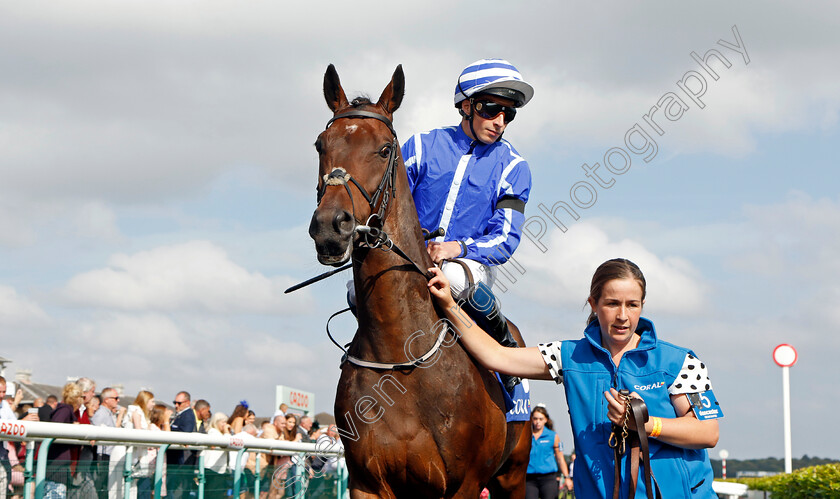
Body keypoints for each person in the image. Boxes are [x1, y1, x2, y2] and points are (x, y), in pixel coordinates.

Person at [429, 258, 720, 498]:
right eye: (612, 303)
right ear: (593, 304)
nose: (622, 315)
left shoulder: (680, 360)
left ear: (642, 305)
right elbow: (496, 356)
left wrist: (646, 424)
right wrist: (450, 306)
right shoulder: (569, 356)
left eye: (632, 304)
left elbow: (708, 433)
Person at [381, 58, 534, 393]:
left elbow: (506, 239)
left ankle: (503, 344)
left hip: (469, 264)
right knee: (359, 287)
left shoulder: (514, 166)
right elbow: (388, 204)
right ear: (467, 105)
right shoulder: (421, 146)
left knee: (449, 277)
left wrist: (456, 248)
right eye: (492, 109)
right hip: (410, 255)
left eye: (508, 114)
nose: (500, 122)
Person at [45, 382, 83, 498]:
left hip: (58, 465)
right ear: (76, 398)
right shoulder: (65, 410)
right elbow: (56, 427)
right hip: (57, 465)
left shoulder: (65, 410)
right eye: (82, 397)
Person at [526, 406, 572, 499]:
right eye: (535, 419)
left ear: (545, 420)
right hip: (529, 479)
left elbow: (560, 458)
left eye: (540, 419)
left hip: (548, 479)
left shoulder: (553, 436)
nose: (537, 421)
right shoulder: (526, 435)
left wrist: (567, 477)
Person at [92, 387, 126, 499]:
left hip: (107, 455)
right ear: (107, 399)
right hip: (102, 455)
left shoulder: (108, 413)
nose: (118, 401)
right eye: (116, 398)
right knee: (101, 486)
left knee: (104, 486)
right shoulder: (101, 413)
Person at [166, 391, 197, 498]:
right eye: (175, 402)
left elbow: (185, 434)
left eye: (179, 403)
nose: (176, 405)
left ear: (187, 403)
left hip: (176, 459)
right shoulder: (180, 415)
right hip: (173, 458)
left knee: (171, 488)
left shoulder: (187, 415)